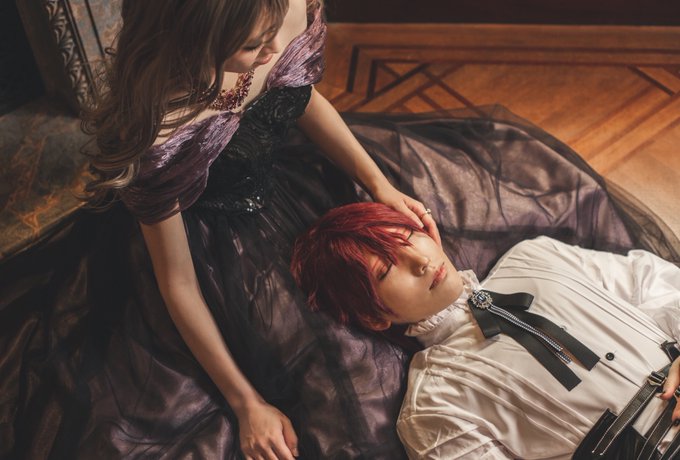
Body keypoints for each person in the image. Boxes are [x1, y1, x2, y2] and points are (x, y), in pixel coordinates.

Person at [2, 0, 679, 459]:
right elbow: (177, 283)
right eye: (251, 46)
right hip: (223, 239)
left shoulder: (281, 12)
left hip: (306, 175)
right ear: (190, 40)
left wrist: (378, 183)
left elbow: (299, 98)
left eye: (274, 31)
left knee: (468, 222)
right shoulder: (160, 124)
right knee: (340, 367)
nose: (272, 49)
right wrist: (246, 402)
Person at [291, 202, 680, 459]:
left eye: (408, 237)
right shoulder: (433, 405)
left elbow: (651, 280)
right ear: (374, 317)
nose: (419, 260)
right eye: (386, 269)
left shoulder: (534, 255)